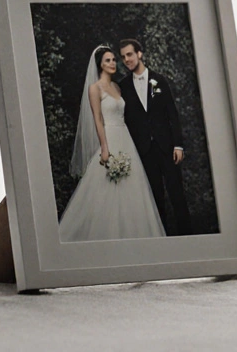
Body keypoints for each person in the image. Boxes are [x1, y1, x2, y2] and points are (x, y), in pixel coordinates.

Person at [57, 46, 165, 242]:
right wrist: (104, 147)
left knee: (132, 187)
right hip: (110, 137)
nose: (113, 63)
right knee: (106, 187)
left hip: (125, 138)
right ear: (100, 64)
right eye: (108, 60)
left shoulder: (117, 87)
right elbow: (98, 119)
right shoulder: (94, 88)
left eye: (114, 60)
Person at [119, 38, 193, 235]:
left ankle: (188, 239)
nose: (127, 59)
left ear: (139, 54)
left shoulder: (159, 80)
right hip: (144, 151)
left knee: (177, 195)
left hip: (167, 148)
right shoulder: (123, 87)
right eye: (123, 57)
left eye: (130, 54)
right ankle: (162, 240)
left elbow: (172, 114)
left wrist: (178, 145)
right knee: (154, 198)